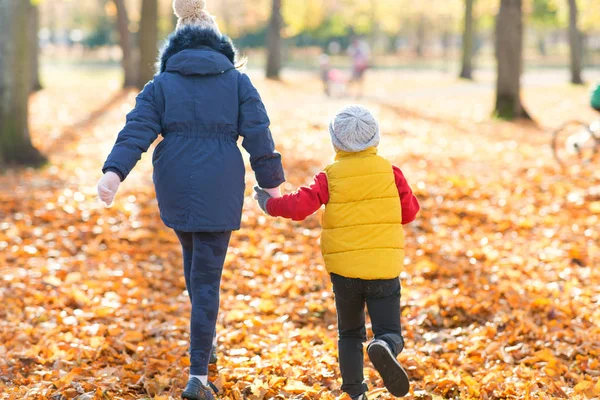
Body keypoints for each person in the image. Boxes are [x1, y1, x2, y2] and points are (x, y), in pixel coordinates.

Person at [96, 1, 285, 399]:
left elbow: (137, 129)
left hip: (175, 181)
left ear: (176, 43)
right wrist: (273, 186)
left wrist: (114, 173)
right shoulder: (237, 81)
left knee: (194, 267)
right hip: (220, 183)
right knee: (206, 279)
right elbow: (259, 133)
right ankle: (198, 375)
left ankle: (206, 340)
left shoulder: (162, 84)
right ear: (218, 41)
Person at [254, 105, 420, 399]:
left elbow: (300, 205)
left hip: (344, 270)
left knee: (350, 333)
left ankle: (355, 392)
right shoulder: (391, 173)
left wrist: (270, 204)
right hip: (383, 267)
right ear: (375, 138)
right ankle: (385, 345)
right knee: (389, 330)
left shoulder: (330, 176)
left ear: (335, 142)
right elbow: (409, 213)